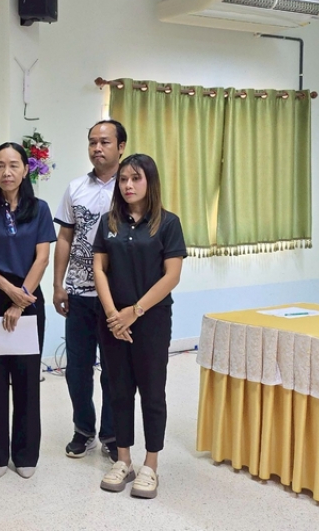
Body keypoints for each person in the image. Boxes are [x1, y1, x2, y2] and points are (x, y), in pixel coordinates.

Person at [92, 153, 187, 499]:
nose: (128, 185)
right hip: (113, 321)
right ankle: (123, 459)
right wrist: (113, 314)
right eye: (123, 179)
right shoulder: (108, 222)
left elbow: (171, 276)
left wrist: (134, 311)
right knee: (118, 390)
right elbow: (99, 269)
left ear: (150, 182)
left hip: (151, 322)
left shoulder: (168, 223)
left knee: (152, 392)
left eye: (136, 178)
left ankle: (151, 464)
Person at [0, 142, 56, 480]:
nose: (6, 172)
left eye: (14, 165)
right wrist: (9, 292)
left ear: (25, 169)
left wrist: (21, 300)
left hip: (28, 298)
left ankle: (25, 453)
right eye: (0, 166)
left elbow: (42, 258)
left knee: (26, 379)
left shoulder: (40, 209)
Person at [52, 120, 127, 462]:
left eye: (105, 142)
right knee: (77, 369)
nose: (97, 148)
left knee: (114, 370)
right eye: (92, 142)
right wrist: (58, 284)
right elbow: (65, 237)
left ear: (121, 147)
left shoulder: (130, 187)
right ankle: (83, 430)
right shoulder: (75, 188)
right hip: (79, 295)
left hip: (117, 297)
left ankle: (112, 434)